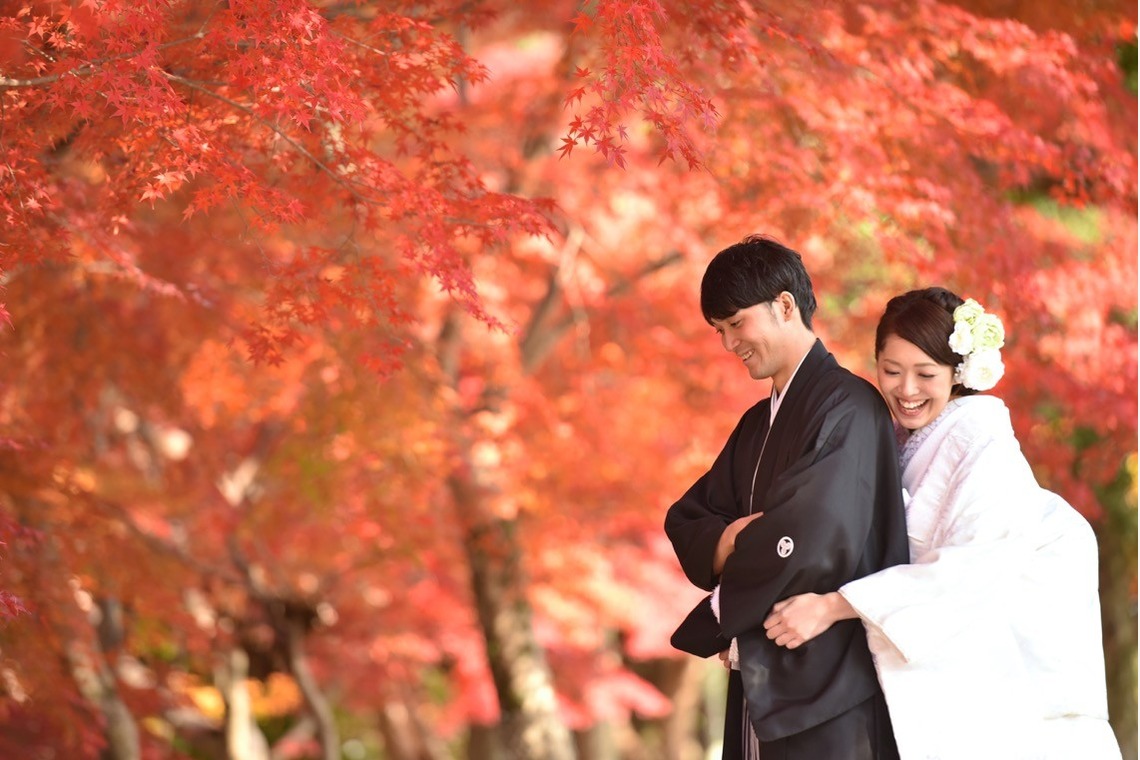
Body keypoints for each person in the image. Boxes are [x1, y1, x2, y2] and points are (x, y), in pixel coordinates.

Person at [762, 287, 1122, 759]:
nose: (906, 390)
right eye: (891, 371)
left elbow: (968, 571)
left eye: (925, 374)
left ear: (958, 373)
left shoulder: (986, 449)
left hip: (1007, 689)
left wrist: (832, 606)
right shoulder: (890, 438)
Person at [664, 235, 910, 760]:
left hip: (829, 680)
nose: (730, 344)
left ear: (784, 304)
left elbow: (813, 533)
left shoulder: (849, 405)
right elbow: (688, 518)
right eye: (719, 331)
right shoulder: (758, 421)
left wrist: (728, 591)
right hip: (764, 673)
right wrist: (728, 536)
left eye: (736, 324)